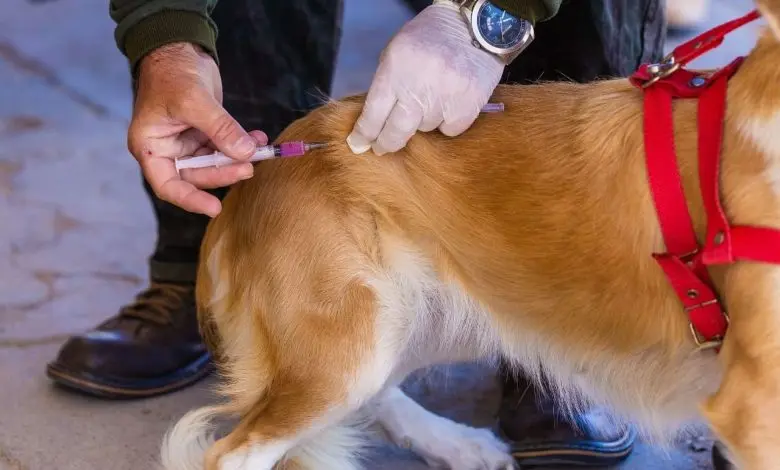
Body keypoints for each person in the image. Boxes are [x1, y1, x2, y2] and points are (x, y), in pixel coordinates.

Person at [46, 0, 669, 467]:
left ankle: (553, 351)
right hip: (279, 192)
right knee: (298, 213)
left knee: (586, 110)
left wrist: (488, 19)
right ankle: (231, 290)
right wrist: (170, 39)